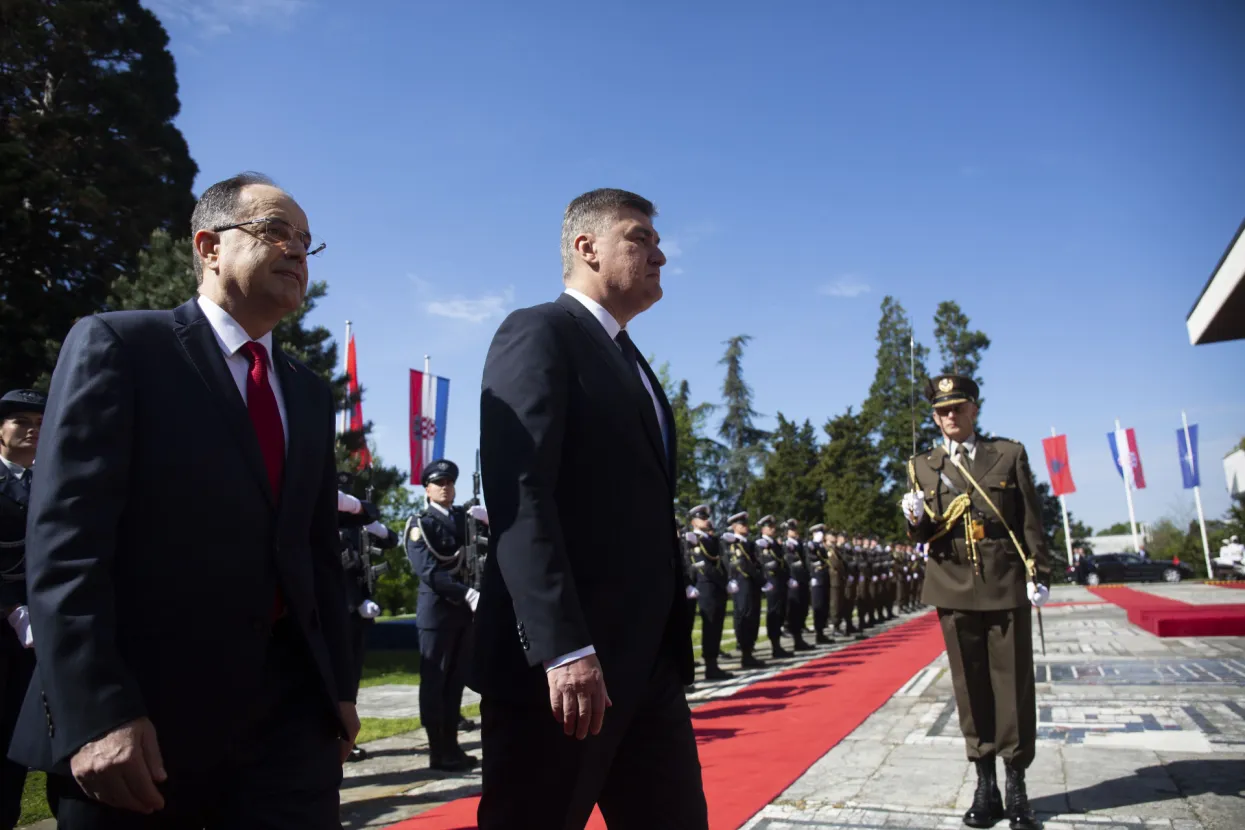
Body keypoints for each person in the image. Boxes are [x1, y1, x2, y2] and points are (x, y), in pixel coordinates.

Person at [11, 172, 359, 828]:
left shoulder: (308, 394)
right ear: (208, 246)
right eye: (275, 233)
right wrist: (97, 711)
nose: (295, 252)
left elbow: (314, 553)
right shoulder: (121, 347)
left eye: (306, 243)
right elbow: (66, 545)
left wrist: (336, 687)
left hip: (288, 723)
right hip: (144, 723)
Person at [474, 188, 708, 829]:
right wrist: (563, 647)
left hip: (646, 664)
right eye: (641, 239)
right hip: (567, 668)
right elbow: (520, 491)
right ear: (587, 247)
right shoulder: (541, 332)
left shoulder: (630, 360)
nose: (660, 254)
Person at [902, 374, 1049, 830]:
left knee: (1013, 685)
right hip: (953, 584)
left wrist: (1039, 573)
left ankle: (1016, 784)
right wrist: (912, 521)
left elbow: (1029, 519)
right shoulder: (922, 465)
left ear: (974, 409)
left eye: (957, 408)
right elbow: (925, 533)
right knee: (970, 687)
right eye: (941, 411)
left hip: (1004, 583)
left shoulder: (1007, 454)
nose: (949, 416)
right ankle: (985, 783)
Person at [404, 458, 487, 772]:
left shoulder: (464, 519)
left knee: (456, 683)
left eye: (450, 482)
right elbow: (429, 571)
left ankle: (453, 747)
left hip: (463, 615)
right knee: (435, 683)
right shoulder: (420, 524)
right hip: (437, 615)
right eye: (439, 483)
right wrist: (466, 593)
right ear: (427, 488)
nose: (446, 488)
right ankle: (438, 751)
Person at [0, 389, 56, 828]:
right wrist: (11, 610)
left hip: (46, 630)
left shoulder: (54, 482)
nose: (32, 428)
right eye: (20, 420)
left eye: (40, 420)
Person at [336, 477, 395, 762]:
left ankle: (348, 735)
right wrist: (356, 602)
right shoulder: (331, 526)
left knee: (353, 678)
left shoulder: (355, 527)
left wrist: (376, 527)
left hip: (359, 614)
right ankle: (338, 735)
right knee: (339, 679)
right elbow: (336, 572)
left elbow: (390, 541)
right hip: (339, 614)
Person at [685, 505, 732, 680]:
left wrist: (726, 581)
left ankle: (713, 664)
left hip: (717, 586)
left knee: (717, 625)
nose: (706, 520)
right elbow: (703, 566)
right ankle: (710, 666)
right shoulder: (693, 540)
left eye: (707, 517)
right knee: (710, 625)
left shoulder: (713, 540)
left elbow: (722, 562)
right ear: (693, 522)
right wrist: (723, 581)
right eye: (702, 518)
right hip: (707, 586)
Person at [723, 512, 765, 668]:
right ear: (734, 527)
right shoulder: (732, 544)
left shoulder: (750, 544)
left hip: (752, 583)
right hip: (742, 583)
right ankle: (745, 652)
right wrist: (730, 579)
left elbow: (757, 564)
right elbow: (734, 564)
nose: (746, 527)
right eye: (742, 525)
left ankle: (750, 650)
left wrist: (762, 580)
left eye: (746, 524)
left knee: (754, 615)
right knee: (744, 615)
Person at [755, 515, 791, 659]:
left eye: (773, 527)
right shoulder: (761, 543)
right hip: (771, 581)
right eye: (769, 527)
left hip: (780, 581)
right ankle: (775, 645)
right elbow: (761, 563)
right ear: (763, 528)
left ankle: (778, 644)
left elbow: (782, 562)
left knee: (781, 612)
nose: (772, 529)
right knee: (774, 613)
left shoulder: (775, 544)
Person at [807, 524, 834, 644]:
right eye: (819, 533)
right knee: (818, 606)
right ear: (814, 534)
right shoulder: (810, 545)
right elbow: (810, 561)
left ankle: (822, 632)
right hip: (816, 579)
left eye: (822, 533)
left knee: (824, 606)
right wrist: (812, 576)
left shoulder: (822, 547)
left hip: (824, 578)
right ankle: (819, 633)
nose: (821, 535)